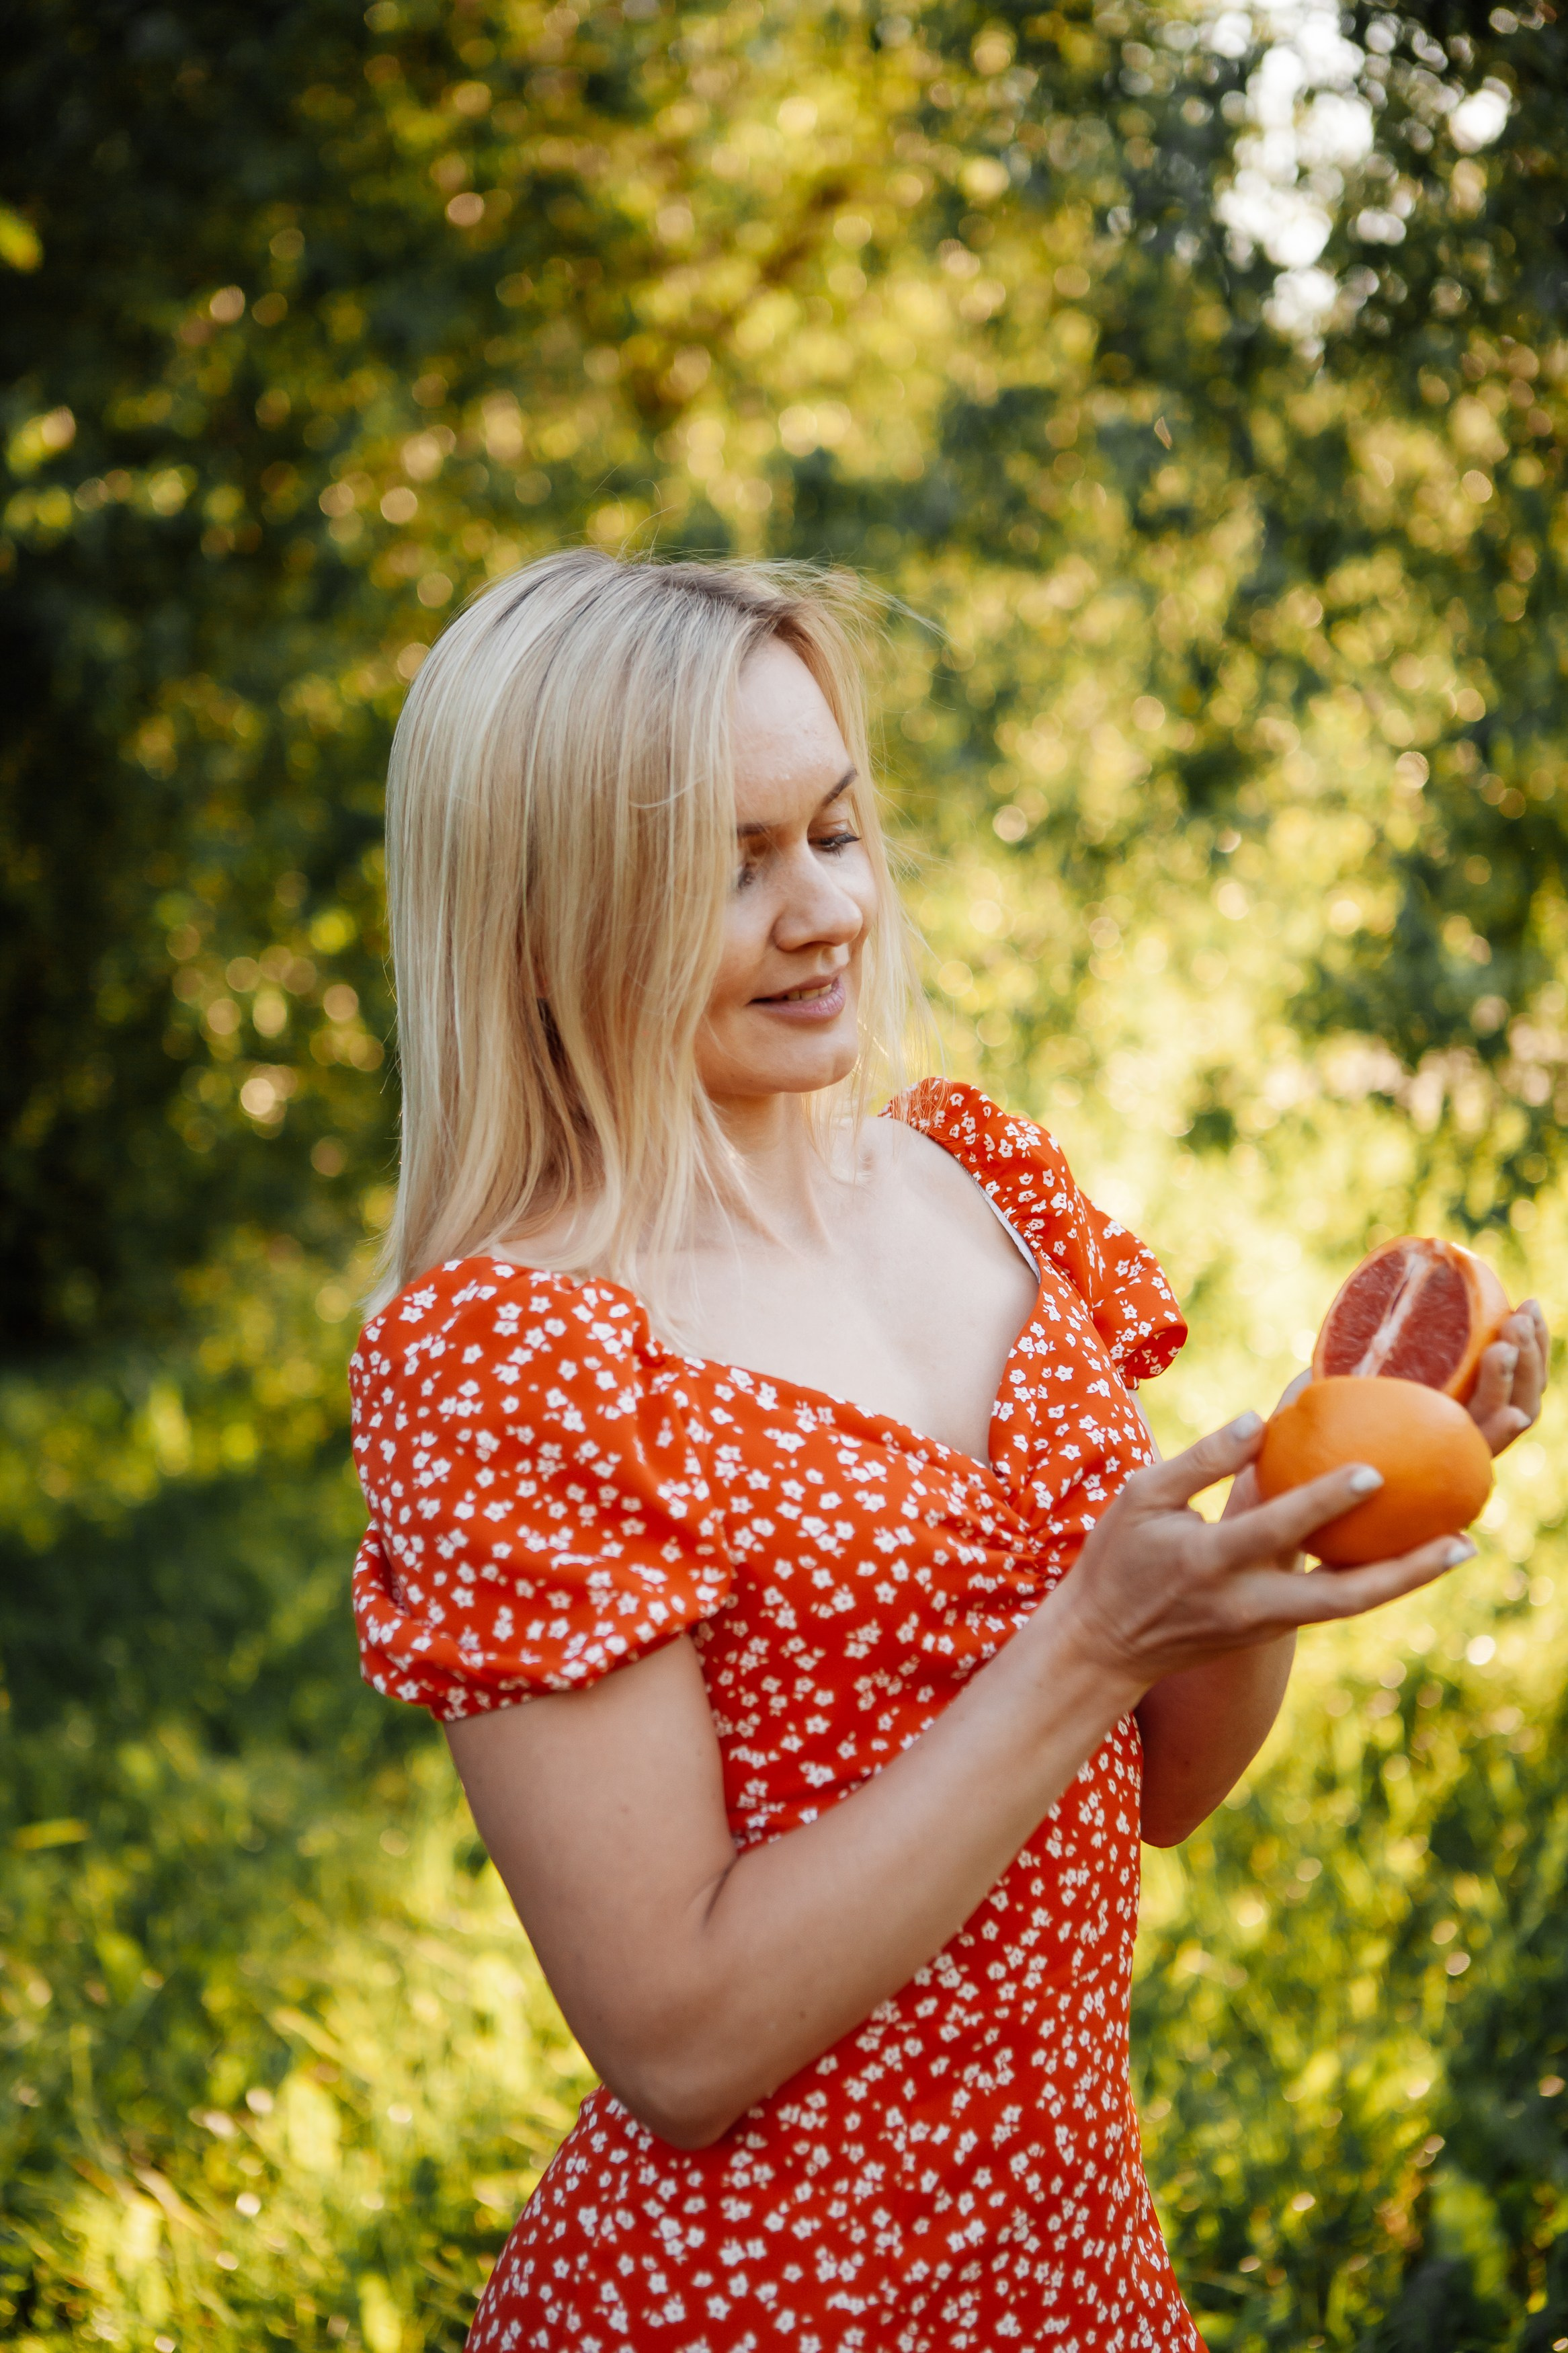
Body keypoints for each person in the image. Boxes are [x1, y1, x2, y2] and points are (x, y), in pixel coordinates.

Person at [348, 549, 1547, 2352]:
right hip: (764, 2297)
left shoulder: (972, 1183)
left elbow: (1148, 1791)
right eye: (731, 865)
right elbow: (679, 2041)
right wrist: (1087, 1643)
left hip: (1072, 2262)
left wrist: (1280, 1550)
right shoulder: (519, 1354)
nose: (823, 907)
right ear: (557, 907)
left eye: (834, 828)